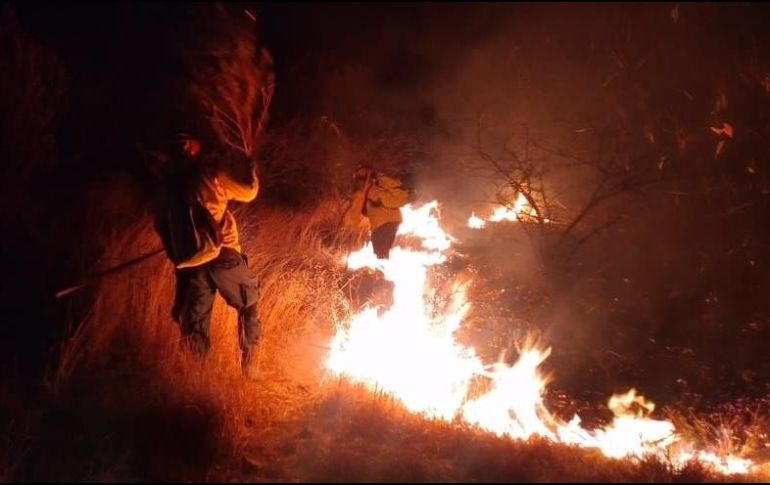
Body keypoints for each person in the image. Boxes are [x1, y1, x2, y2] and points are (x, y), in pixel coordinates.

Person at [153, 133, 262, 380]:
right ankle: (251, 369)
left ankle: (196, 379)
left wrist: (181, 284)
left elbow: (168, 238)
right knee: (249, 301)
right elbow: (249, 192)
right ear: (193, 151)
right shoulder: (209, 174)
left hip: (192, 263)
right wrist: (250, 166)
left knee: (196, 323)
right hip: (224, 253)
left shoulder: (166, 192)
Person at [345, 165, 412, 260]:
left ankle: (383, 270)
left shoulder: (369, 192)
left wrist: (352, 227)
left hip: (382, 225)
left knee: (381, 254)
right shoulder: (378, 189)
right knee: (386, 252)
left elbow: (354, 214)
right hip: (394, 221)